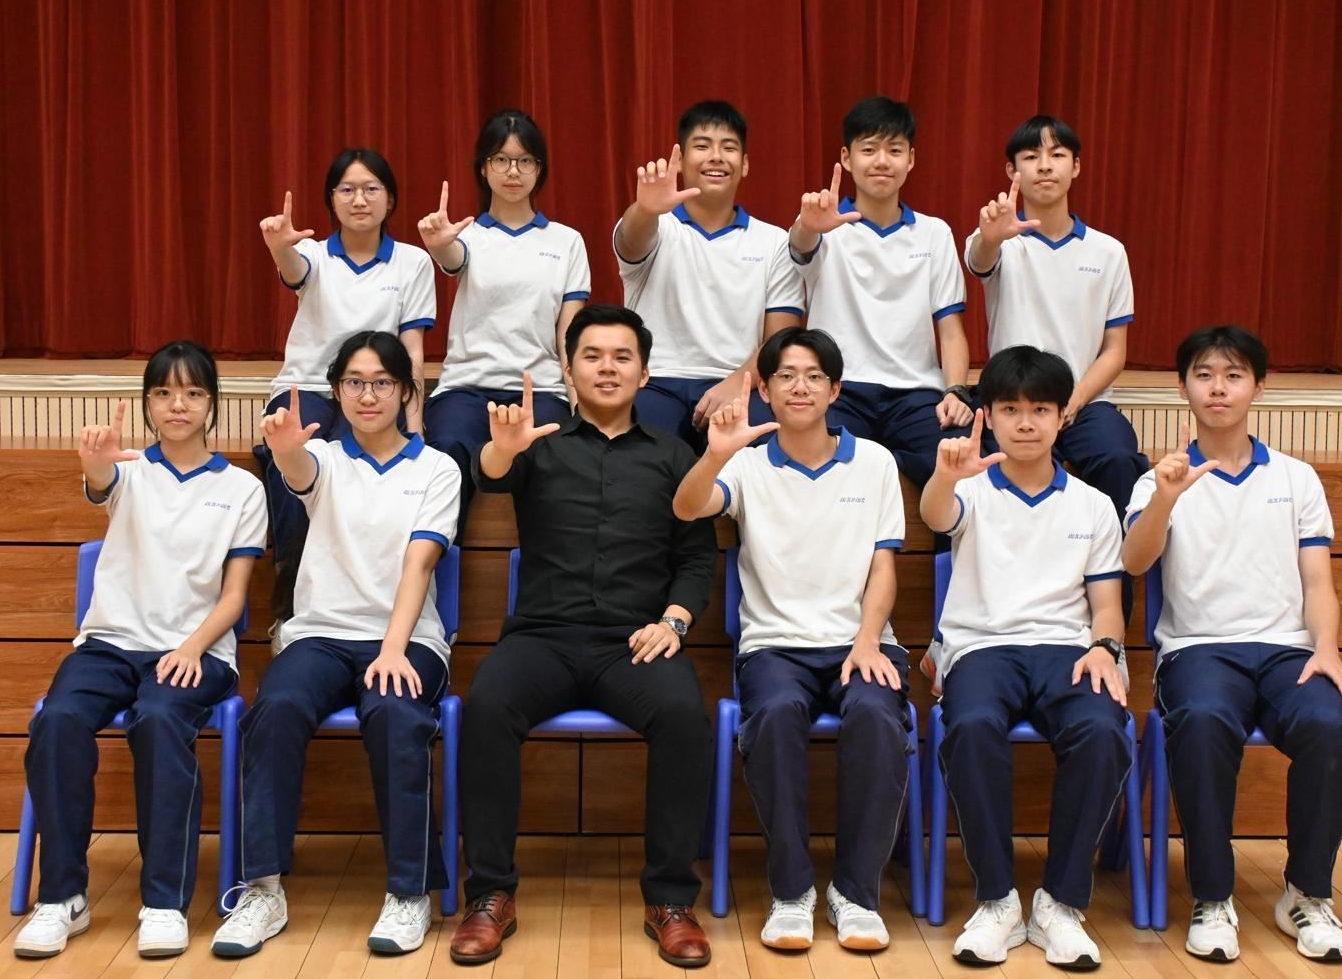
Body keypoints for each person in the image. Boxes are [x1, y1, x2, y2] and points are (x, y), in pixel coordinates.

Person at [451, 305, 718, 969]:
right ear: (568, 370)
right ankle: (489, 895)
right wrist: (502, 446)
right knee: (487, 706)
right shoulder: (539, 442)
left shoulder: (675, 455)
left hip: (635, 642)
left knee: (685, 716)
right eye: (592, 356)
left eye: (622, 357)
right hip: (542, 637)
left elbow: (696, 559)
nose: (607, 368)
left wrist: (674, 622)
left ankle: (671, 900)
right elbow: (491, 475)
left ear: (645, 373)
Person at [211, 331, 462, 959]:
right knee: (276, 708)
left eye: (381, 382)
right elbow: (299, 471)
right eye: (354, 382)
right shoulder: (323, 457)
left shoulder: (438, 468)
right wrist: (285, 450)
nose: (367, 395)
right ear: (337, 391)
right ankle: (263, 889)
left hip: (407, 637)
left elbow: (419, 563)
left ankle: (409, 892)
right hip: (321, 634)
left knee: (396, 712)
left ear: (407, 391)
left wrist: (394, 649)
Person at [15, 341, 266, 960]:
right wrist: (96, 463)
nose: (178, 405)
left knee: (158, 718)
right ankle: (63, 898)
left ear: (212, 403)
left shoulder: (242, 488)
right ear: (148, 403)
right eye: (164, 393)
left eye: (193, 392)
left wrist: (192, 646)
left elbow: (235, 597)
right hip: (110, 645)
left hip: (197, 652)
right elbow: (101, 481)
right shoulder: (125, 471)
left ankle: (163, 902)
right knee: (58, 720)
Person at [1123, 325, 1342, 964]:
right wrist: (1165, 500)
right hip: (1197, 650)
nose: (1218, 388)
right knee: (1202, 721)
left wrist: (1327, 649)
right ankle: (1212, 897)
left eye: (1233, 375)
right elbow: (1134, 562)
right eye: (1204, 375)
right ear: (1182, 388)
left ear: (1259, 386)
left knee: (1332, 724)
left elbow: (1318, 582)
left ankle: (1306, 894)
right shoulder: (1158, 480)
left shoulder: (1297, 477)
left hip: (1288, 651)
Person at [673, 327, 907, 954]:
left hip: (860, 641)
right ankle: (792, 892)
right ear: (765, 390)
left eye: (813, 376)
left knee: (877, 718)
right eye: (784, 376)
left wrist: (868, 641)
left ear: (835, 390)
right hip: (775, 645)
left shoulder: (876, 462)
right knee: (775, 715)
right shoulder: (747, 462)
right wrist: (715, 455)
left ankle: (856, 894)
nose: (799, 387)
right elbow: (688, 507)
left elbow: (884, 567)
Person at [919, 345, 1131, 971]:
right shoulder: (970, 488)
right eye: (1010, 409)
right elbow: (936, 514)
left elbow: (1108, 604)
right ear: (987, 417)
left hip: (1068, 649)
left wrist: (1105, 648)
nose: (1026, 423)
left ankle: (1060, 904)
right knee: (972, 725)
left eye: (1040, 409)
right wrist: (946, 475)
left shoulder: (1093, 503)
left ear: (1063, 416)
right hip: (982, 646)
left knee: (1103, 729)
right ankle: (997, 901)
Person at [257, 148, 435, 629]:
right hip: (308, 388)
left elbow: (412, 351)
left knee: (357, 475)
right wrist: (278, 247)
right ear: (331, 200)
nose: (360, 200)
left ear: (390, 199)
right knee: (294, 459)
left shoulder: (414, 262)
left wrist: (415, 425)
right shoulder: (314, 255)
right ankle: (290, 601)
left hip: (373, 393)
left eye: (371, 189)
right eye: (348, 190)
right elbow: (294, 269)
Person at [962, 115, 1144, 519]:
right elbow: (980, 260)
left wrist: (1072, 401)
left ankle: (1118, 561)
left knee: (1118, 458)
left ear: (1075, 166)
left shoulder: (1109, 251)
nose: (1044, 166)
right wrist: (991, 237)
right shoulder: (998, 240)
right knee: (967, 461)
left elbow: (1115, 350)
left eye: (1057, 155)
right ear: (1012, 170)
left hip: (1085, 402)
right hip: (1011, 402)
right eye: (1031, 156)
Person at [786, 95, 973, 487]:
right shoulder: (823, 227)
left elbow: (951, 330)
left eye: (894, 150)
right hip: (839, 389)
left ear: (911, 159)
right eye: (869, 149)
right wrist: (808, 226)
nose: (882, 161)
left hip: (916, 393)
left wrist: (955, 391)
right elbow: (801, 246)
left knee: (961, 468)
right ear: (847, 157)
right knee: (818, 474)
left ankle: (940, 540)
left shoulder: (935, 233)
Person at [417, 110, 588, 527]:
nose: (513, 171)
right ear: (483, 167)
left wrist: (579, 404)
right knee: (447, 452)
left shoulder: (567, 241)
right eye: (501, 159)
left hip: (540, 390)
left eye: (525, 160)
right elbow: (452, 258)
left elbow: (570, 334)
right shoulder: (466, 236)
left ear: (539, 169)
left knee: (555, 460)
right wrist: (439, 245)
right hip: (466, 389)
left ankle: (545, 569)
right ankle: (434, 566)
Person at [614, 100, 805, 448]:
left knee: (766, 449)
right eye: (702, 146)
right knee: (637, 456)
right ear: (682, 160)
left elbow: (780, 338)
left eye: (728, 147)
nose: (716, 157)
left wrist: (737, 382)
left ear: (744, 164)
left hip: (740, 381)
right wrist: (645, 209)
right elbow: (630, 240)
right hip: (655, 380)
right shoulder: (656, 226)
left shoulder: (775, 241)